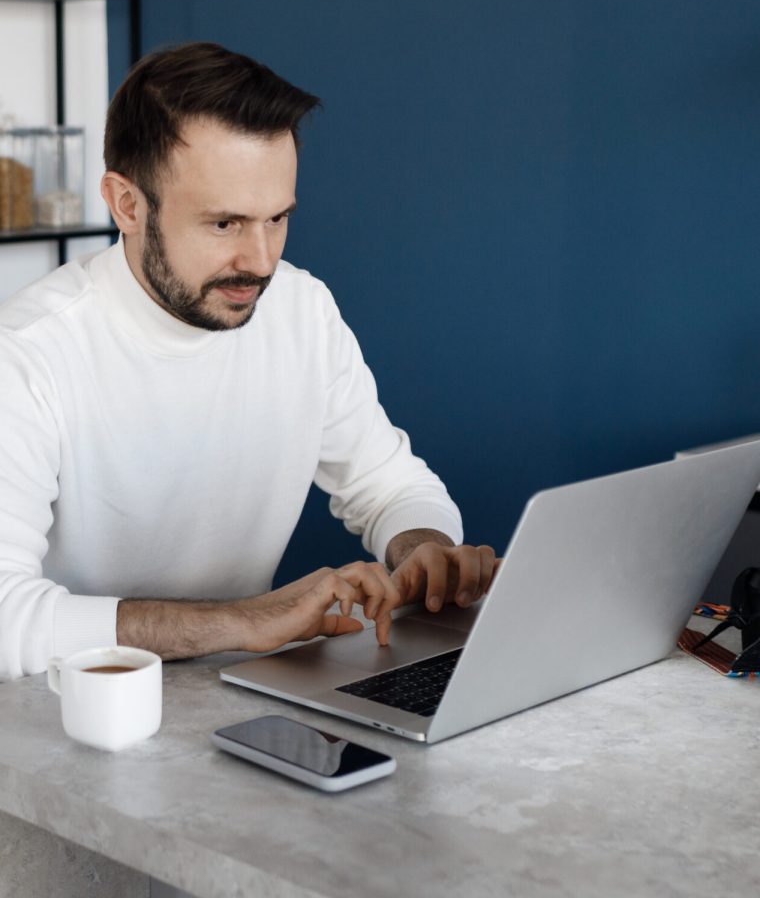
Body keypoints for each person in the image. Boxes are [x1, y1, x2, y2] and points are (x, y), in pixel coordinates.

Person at [0, 42, 496, 682]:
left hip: (233, 700)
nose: (261, 262)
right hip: (65, 717)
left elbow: (388, 484)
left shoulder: (302, 311)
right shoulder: (27, 355)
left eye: (278, 218)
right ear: (126, 205)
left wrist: (426, 550)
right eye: (225, 224)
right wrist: (244, 621)